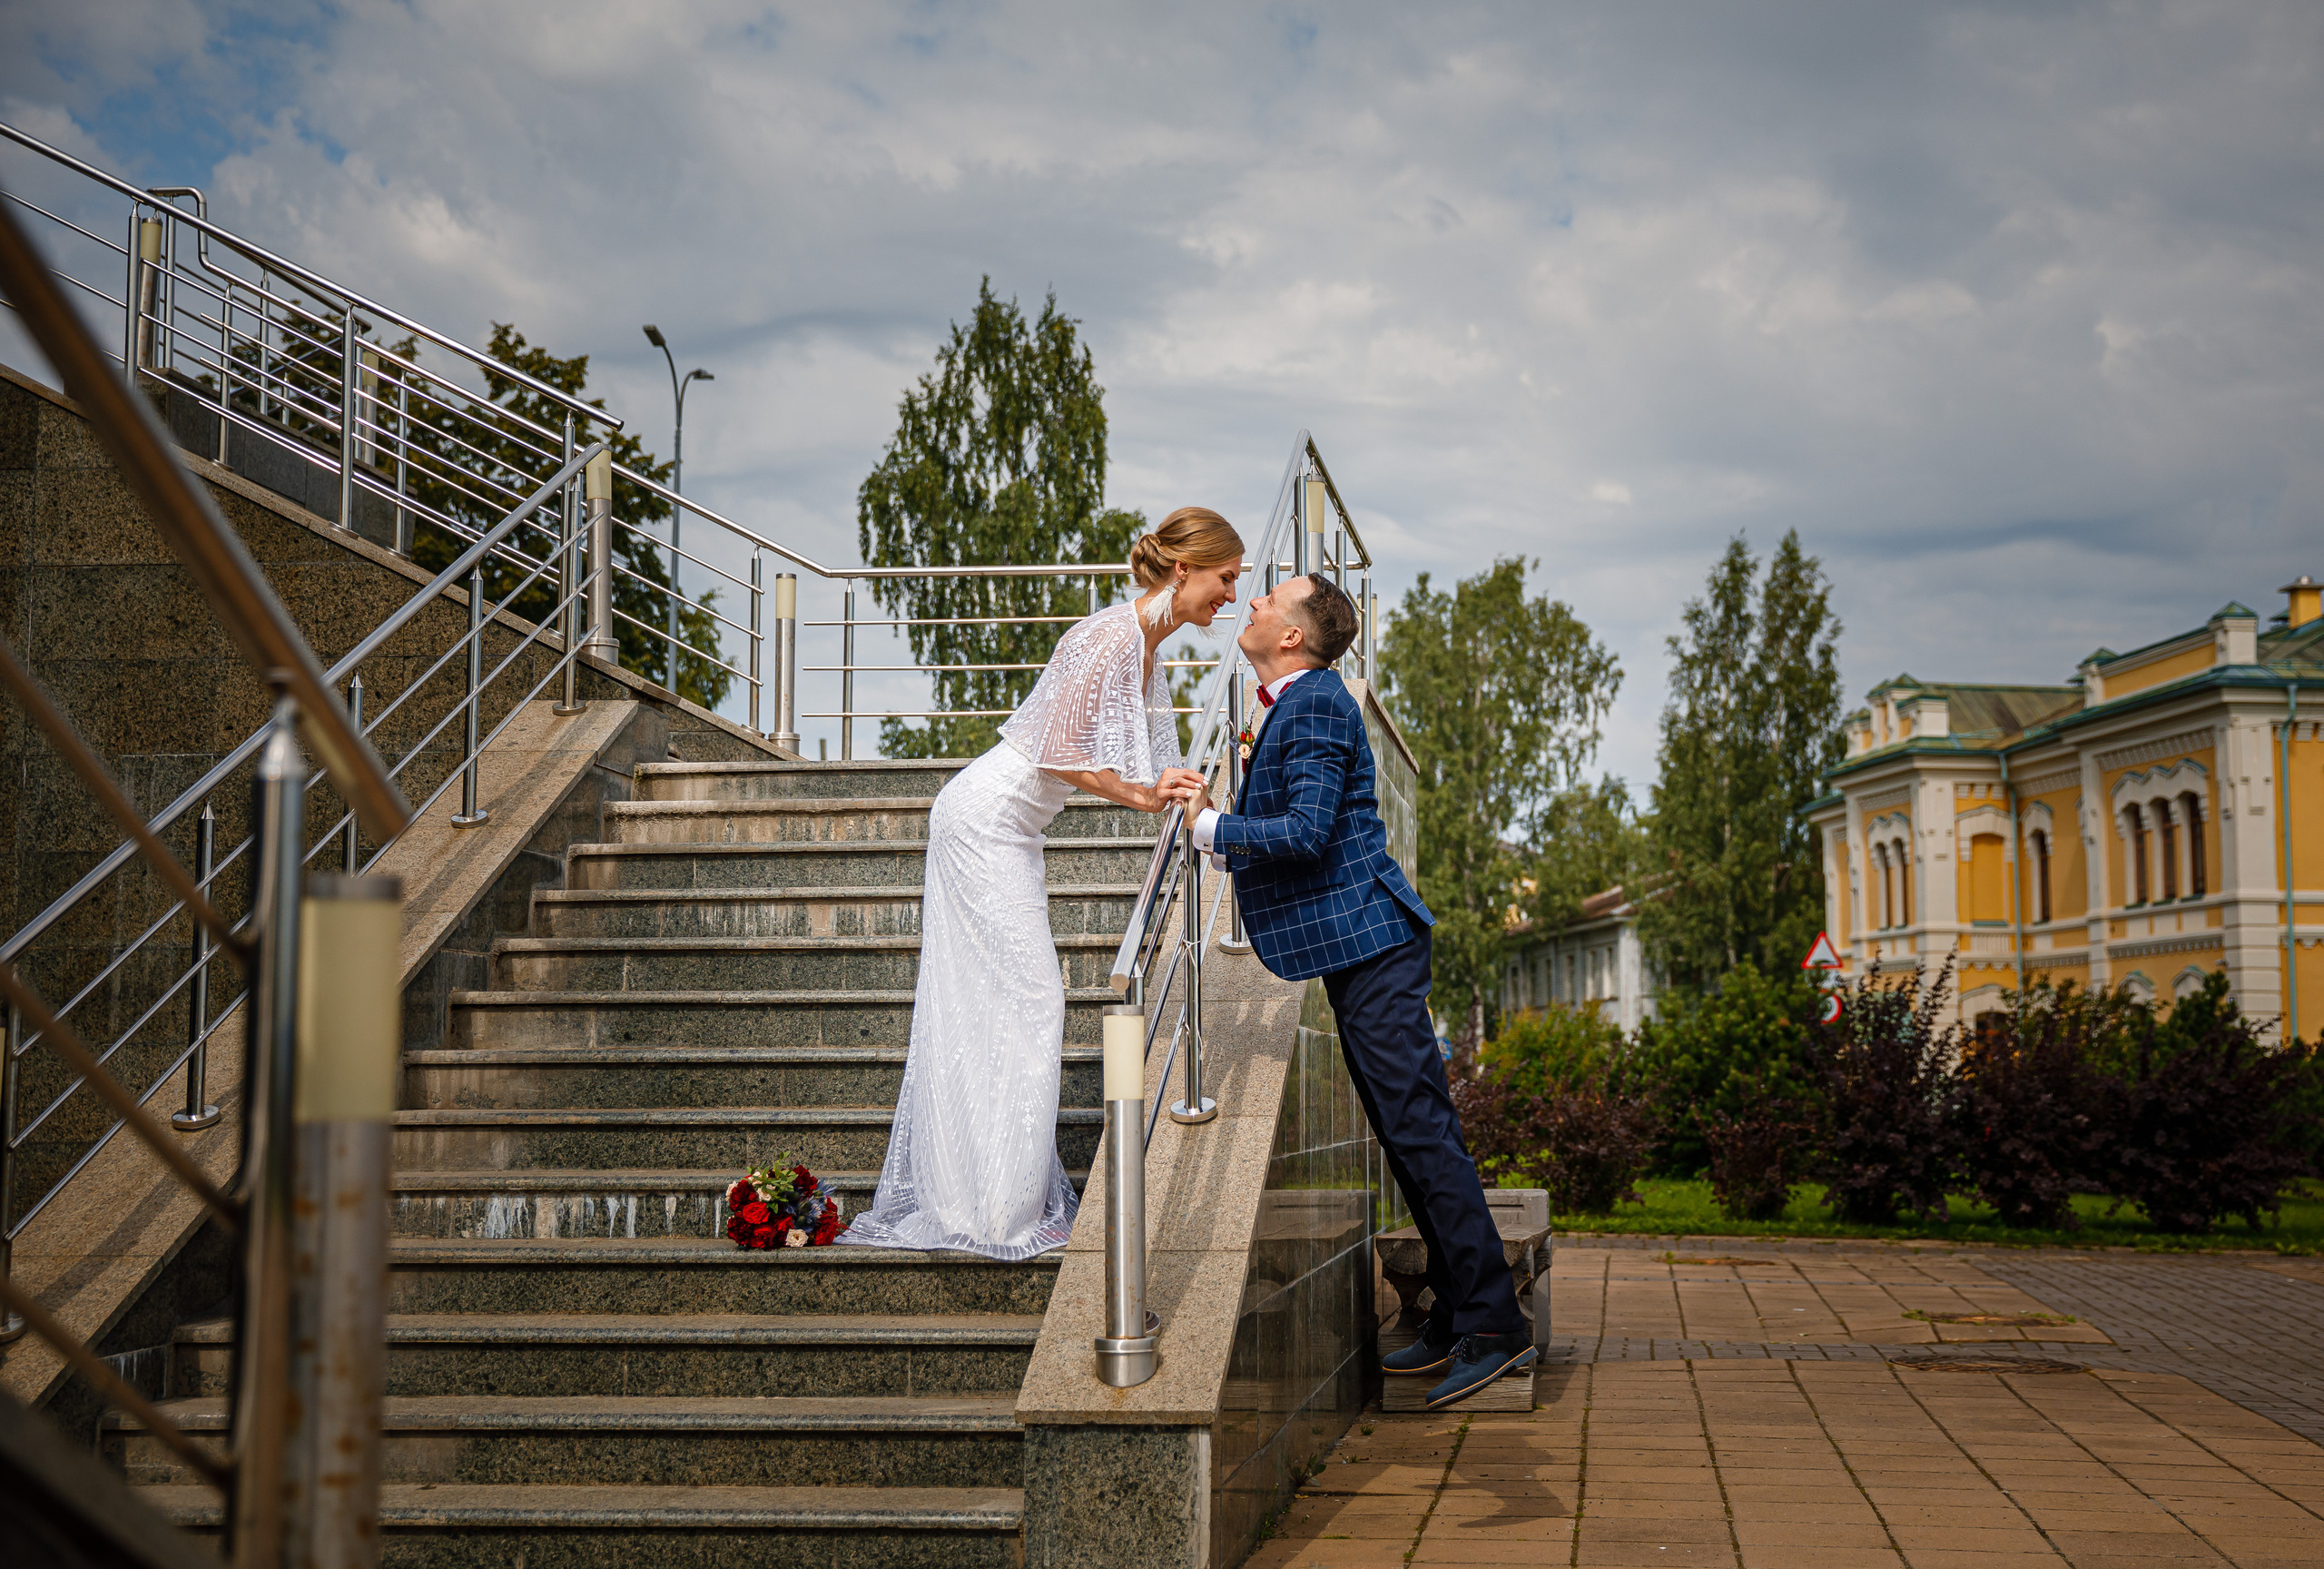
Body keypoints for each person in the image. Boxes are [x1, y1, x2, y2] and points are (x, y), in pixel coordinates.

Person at [1162, 572, 1534, 1408]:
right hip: (1358, 948)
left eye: (1268, 600)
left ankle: (1496, 1324)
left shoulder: (1320, 703)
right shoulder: (1298, 702)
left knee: (1424, 1137)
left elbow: (1305, 832)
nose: (1252, 604)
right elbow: (1302, 830)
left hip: (1376, 944)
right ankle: (1456, 1312)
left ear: (1294, 635)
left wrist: (1210, 828)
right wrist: (1219, 821)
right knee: (1407, 1141)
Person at [836, 509, 1238, 1258]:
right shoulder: (1109, 635)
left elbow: (1143, 764)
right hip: (983, 819)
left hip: (1013, 831)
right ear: (1184, 570)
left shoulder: (1147, 647)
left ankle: (989, 1200)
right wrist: (1146, 797)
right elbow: (1056, 755)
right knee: (1032, 998)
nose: (1232, 595)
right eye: (1225, 578)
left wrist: (1184, 800)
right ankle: (998, 1212)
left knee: (998, 1003)